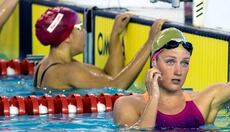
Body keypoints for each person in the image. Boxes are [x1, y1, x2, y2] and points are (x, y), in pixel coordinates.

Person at [33, 7, 165, 89]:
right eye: (79, 28)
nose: (84, 32)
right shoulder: (67, 70)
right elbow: (117, 86)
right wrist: (150, 43)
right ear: (66, 37)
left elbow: (110, 76)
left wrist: (115, 35)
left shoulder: (46, 63)